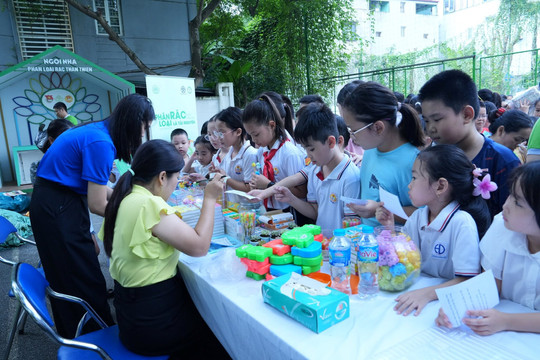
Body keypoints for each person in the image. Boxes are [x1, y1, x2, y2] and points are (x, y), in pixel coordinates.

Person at [29, 93, 153, 338]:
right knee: (79, 275)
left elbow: (98, 188)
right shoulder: (101, 143)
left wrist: (126, 196)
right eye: (144, 128)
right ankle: (93, 338)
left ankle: (84, 332)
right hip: (57, 207)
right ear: (131, 122)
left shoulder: (97, 131)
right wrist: (133, 215)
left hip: (56, 201)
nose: (141, 135)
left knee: (78, 272)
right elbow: (97, 203)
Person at [101, 139, 227, 357]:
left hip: (130, 316)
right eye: (176, 178)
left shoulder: (126, 197)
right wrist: (209, 198)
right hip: (153, 325)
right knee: (220, 333)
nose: (176, 184)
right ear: (161, 177)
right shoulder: (149, 204)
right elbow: (199, 247)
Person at [376, 145, 491, 316]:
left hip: (445, 303)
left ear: (440, 186)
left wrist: (426, 294)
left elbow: (467, 280)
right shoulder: (417, 217)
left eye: (414, 178)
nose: (409, 185)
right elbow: (403, 260)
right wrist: (389, 227)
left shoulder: (462, 223)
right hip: (417, 292)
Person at [436, 161, 540, 336]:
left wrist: (507, 321)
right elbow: (489, 287)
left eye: (518, 203)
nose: (505, 206)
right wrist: (457, 307)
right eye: (510, 195)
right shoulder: (503, 225)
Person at [418, 69, 520, 218]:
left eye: (437, 119)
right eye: (426, 121)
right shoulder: (432, 158)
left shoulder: (503, 161)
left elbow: (513, 219)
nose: (430, 128)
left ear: (467, 115)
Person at [341, 81, 425, 227]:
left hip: (395, 246)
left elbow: (423, 215)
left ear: (378, 127)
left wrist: (379, 210)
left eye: (353, 130)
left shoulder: (413, 162)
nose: (352, 136)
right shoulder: (371, 150)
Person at [273, 103, 360, 231]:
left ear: (331, 142)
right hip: (321, 245)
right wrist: (291, 199)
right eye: (305, 149)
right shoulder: (314, 170)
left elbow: (351, 226)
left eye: (312, 149)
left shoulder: (350, 177)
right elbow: (315, 211)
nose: (308, 155)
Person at [243, 92, 305, 211]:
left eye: (256, 134)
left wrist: (268, 185)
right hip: (270, 212)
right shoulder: (262, 151)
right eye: (250, 135)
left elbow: (302, 192)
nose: (254, 140)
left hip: (290, 214)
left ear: (271, 125)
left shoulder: (290, 153)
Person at [210, 107, 257, 193]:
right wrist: (218, 174)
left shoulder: (250, 154)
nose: (218, 137)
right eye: (217, 133)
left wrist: (225, 178)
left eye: (221, 132)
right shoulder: (230, 153)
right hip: (232, 205)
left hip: (246, 206)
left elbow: (249, 188)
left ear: (238, 132)